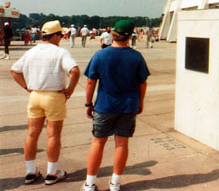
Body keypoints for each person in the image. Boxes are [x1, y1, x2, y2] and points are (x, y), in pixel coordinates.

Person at [81, 20, 149, 191]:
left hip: (104, 105)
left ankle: (89, 184)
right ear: (129, 35)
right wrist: (140, 103)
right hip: (127, 106)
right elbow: (142, 83)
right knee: (121, 144)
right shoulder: (136, 56)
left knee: (97, 142)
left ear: (113, 34)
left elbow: (90, 82)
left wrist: (88, 103)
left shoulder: (100, 55)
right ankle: (115, 183)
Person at [10, 20, 80, 185]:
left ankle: (30, 171)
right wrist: (70, 89)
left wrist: (26, 87)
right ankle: (52, 172)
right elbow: (75, 71)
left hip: (35, 95)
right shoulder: (60, 52)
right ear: (55, 35)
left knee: (32, 134)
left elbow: (14, 70)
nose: (62, 38)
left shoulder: (32, 51)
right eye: (61, 35)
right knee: (53, 135)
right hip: (54, 96)